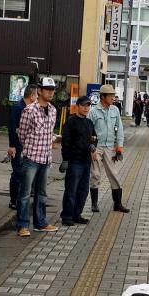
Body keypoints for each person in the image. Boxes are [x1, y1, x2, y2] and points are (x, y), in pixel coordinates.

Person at [16, 78, 60, 237]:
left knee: (42, 193)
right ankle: (22, 225)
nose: (50, 92)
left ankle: (40, 223)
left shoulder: (54, 110)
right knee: (25, 193)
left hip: (46, 158)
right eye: (47, 89)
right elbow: (22, 133)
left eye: (52, 89)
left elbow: (49, 133)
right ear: (39, 90)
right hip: (31, 157)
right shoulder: (29, 110)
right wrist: (29, 148)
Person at [88, 84, 130, 214]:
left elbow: (120, 129)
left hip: (111, 147)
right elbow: (88, 131)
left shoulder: (115, 110)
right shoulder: (93, 112)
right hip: (97, 147)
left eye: (113, 95)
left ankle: (117, 204)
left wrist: (119, 147)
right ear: (102, 97)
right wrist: (92, 148)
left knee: (114, 175)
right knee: (95, 174)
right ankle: (94, 204)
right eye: (111, 95)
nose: (113, 97)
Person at [60, 95, 96, 226]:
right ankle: (67, 215)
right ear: (78, 106)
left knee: (83, 190)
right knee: (71, 189)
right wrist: (65, 160)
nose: (86, 108)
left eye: (88, 106)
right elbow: (66, 142)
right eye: (84, 105)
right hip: (74, 161)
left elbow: (94, 137)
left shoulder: (89, 123)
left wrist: (93, 145)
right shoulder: (71, 122)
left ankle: (77, 214)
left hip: (86, 161)